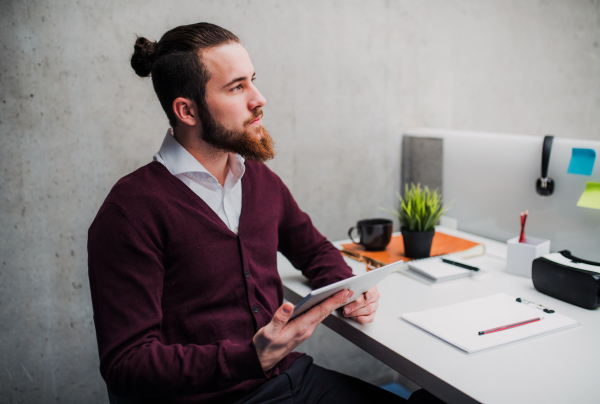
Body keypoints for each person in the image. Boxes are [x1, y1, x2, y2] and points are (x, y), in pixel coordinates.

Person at [88, 22, 443, 404]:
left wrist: (350, 289)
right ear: (187, 110)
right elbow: (127, 366)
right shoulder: (130, 211)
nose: (260, 99)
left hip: (290, 381)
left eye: (252, 80)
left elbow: (315, 249)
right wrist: (250, 357)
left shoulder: (258, 180)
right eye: (237, 87)